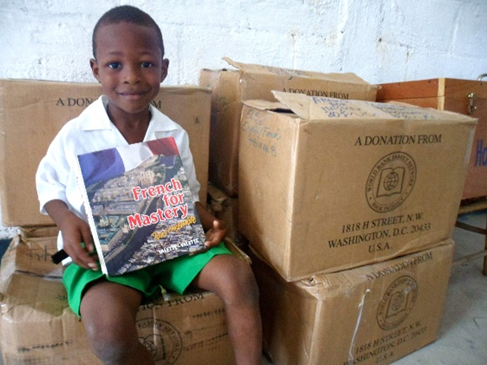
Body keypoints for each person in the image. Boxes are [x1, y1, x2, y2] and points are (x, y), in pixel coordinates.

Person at [36, 5, 262, 365]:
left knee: (238, 275)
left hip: (169, 243)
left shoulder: (173, 134)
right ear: (95, 69)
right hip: (103, 255)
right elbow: (47, 185)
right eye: (114, 65)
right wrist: (64, 218)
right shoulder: (76, 135)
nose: (131, 77)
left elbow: (185, 197)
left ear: (163, 68)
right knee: (109, 334)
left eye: (145, 63)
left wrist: (209, 222)